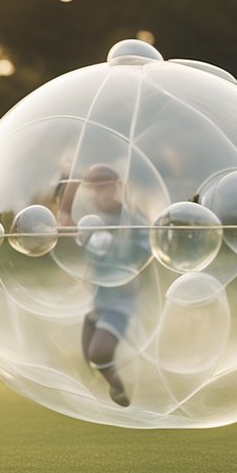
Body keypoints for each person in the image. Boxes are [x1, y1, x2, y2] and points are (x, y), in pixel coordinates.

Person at [57, 163, 147, 408]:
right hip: (98, 301)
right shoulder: (90, 221)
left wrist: (118, 242)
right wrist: (72, 187)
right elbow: (65, 222)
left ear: (117, 188)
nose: (101, 194)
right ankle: (112, 379)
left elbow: (145, 253)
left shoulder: (132, 220)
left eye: (106, 188)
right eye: (94, 189)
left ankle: (118, 386)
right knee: (89, 358)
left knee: (99, 353)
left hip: (121, 303)